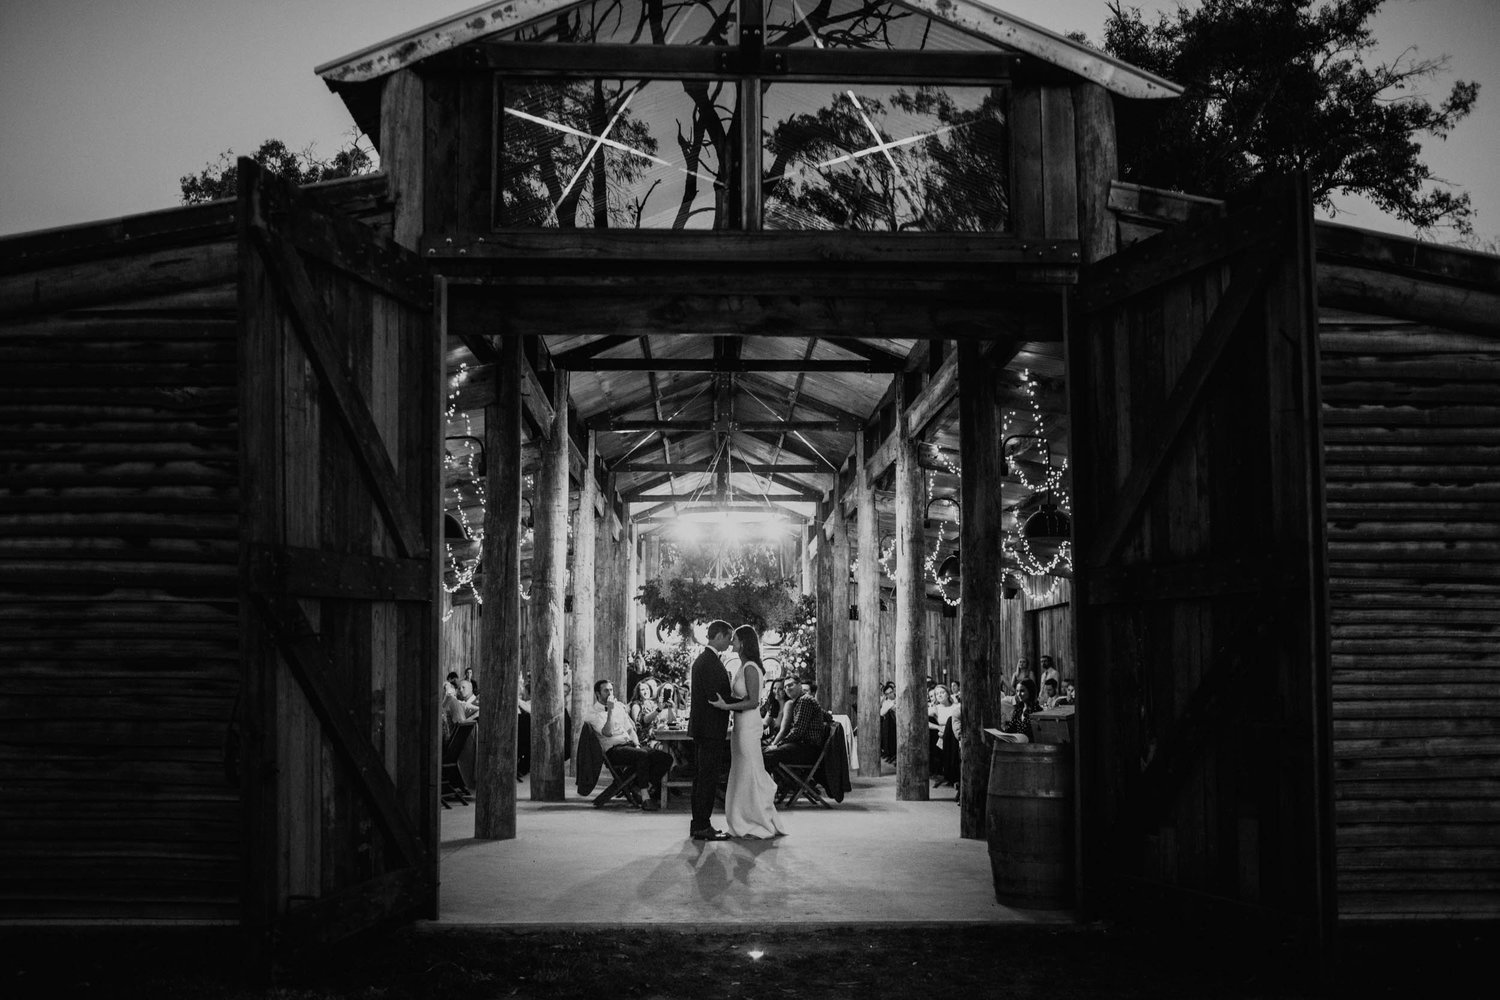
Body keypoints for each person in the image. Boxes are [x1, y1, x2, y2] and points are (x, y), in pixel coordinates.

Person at [709, 626, 787, 838]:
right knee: (741, 770)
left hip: (748, 724)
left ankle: (756, 820)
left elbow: (752, 702)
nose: (731, 642)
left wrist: (726, 706)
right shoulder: (743, 666)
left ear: (743, 643)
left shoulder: (751, 667)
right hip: (740, 723)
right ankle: (743, 818)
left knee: (750, 769)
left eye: (734, 639)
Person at [584, 679, 670, 811]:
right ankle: (645, 798)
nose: (610, 693)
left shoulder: (618, 707)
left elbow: (630, 730)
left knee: (665, 758)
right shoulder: (593, 713)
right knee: (642, 755)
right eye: (606, 691)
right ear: (597, 694)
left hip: (630, 745)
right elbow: (608, 732)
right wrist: (610, 712)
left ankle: (639, 787)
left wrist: (637, 744)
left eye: (611, 690)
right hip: (614, 750)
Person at [686, 620, 734, 841]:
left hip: (705, 728)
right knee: (707, 779)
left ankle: (698, 824)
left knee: (702, 778)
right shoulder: (709, 662)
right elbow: (716, 696)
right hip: (710, 728)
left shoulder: (706, 660)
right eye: (728, 637)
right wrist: (742, 703)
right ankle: (702, 826)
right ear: (719, 636)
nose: (730, 642)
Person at [763, 673, 828, 780]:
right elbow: (828, 716)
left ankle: (770, 787)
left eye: (790, 685)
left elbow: (798, 731)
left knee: (765, 755)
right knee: (764, 752)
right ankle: (778, 785)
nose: (787, 688)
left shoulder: (804, 700)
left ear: (799, 685)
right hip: (804, 747)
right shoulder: (800, 701)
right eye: (785, 686)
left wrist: (777, 745)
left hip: (808, 750)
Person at [928, 684, 960, 786]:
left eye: (942, 692)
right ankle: (949, 775)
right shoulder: (936, 708)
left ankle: (954, 776)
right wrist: (938, 727)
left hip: (956, 734)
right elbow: (923, 720)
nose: (940, 695)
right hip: (943, 736)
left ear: (948, 694)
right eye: (937, 694)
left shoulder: (956, 706)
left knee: (951, 721)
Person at [1002, 677, 1042, 742]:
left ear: (1030, 691)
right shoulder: (1018, 710)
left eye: (1022, 691)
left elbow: (1039, 736)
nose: (1018, 694)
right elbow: (1010, 730)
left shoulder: (1037, 711)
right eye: (1017, 691)